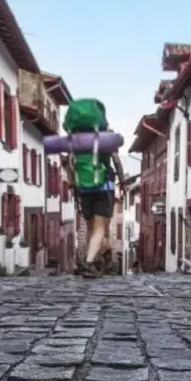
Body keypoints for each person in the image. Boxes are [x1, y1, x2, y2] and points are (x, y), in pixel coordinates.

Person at [63, 100, 125, 278]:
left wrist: (74, 186)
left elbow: (70, 163)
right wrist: (122, 180)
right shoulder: (106, 136)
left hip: (84, 187)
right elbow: (116, 161)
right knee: (99, 227)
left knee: (90, 226)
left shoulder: (75, 139)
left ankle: (89, 259)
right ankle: (89, 262)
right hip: (103, 185)